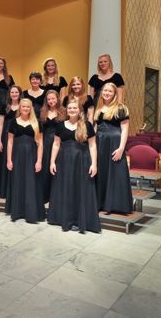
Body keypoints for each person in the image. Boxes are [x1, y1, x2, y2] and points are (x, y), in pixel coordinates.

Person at [48, 99, 100, 233]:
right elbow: (56, 144)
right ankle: (63, 218)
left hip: (82, 161)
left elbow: (92, 145)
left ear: (79, 110)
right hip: (63, 162)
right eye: (69, 108)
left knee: (80, 189)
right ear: (66, 110)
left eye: (74, 108)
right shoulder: (60, 125)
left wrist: (94, 164)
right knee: (65, 188)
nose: (72, 110)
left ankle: (79, 219)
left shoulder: (86, 125)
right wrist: (52, 161)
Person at [95, 82, 133, 214]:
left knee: (114, 173)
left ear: (115, 94)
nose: (107, 93)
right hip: (100, 142)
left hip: (114, 143)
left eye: (110, 91)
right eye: (105, 90)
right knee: (102, 172)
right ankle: (101, 202)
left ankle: (115, 204)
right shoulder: (99, 107)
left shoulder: (121, 108)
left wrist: (121, 148)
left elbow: (125, 129)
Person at [5, 98, 44, 223]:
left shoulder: (37, 123)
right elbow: (10, 142)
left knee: (31, 182)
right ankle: (18, 211)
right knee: (18, 181)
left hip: (31, 156)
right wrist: (9, 160)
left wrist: (39, 161)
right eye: (23, 107)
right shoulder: (13, 122)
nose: (25, 109)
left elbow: (40, 144)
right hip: (17, 156)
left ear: (31, 108)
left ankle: (31, 212)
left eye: (28, 107)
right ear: (19, 108)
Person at [40, 90, 65, 205]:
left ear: (57, 99)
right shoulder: (43, 112)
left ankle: (56, 196)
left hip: (59, 142)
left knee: (57, 167)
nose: (51, 101)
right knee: (45, 167)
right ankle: (45, 195)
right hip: (45, 142)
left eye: (53, 98)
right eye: (49, 99)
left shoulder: (64, 111)